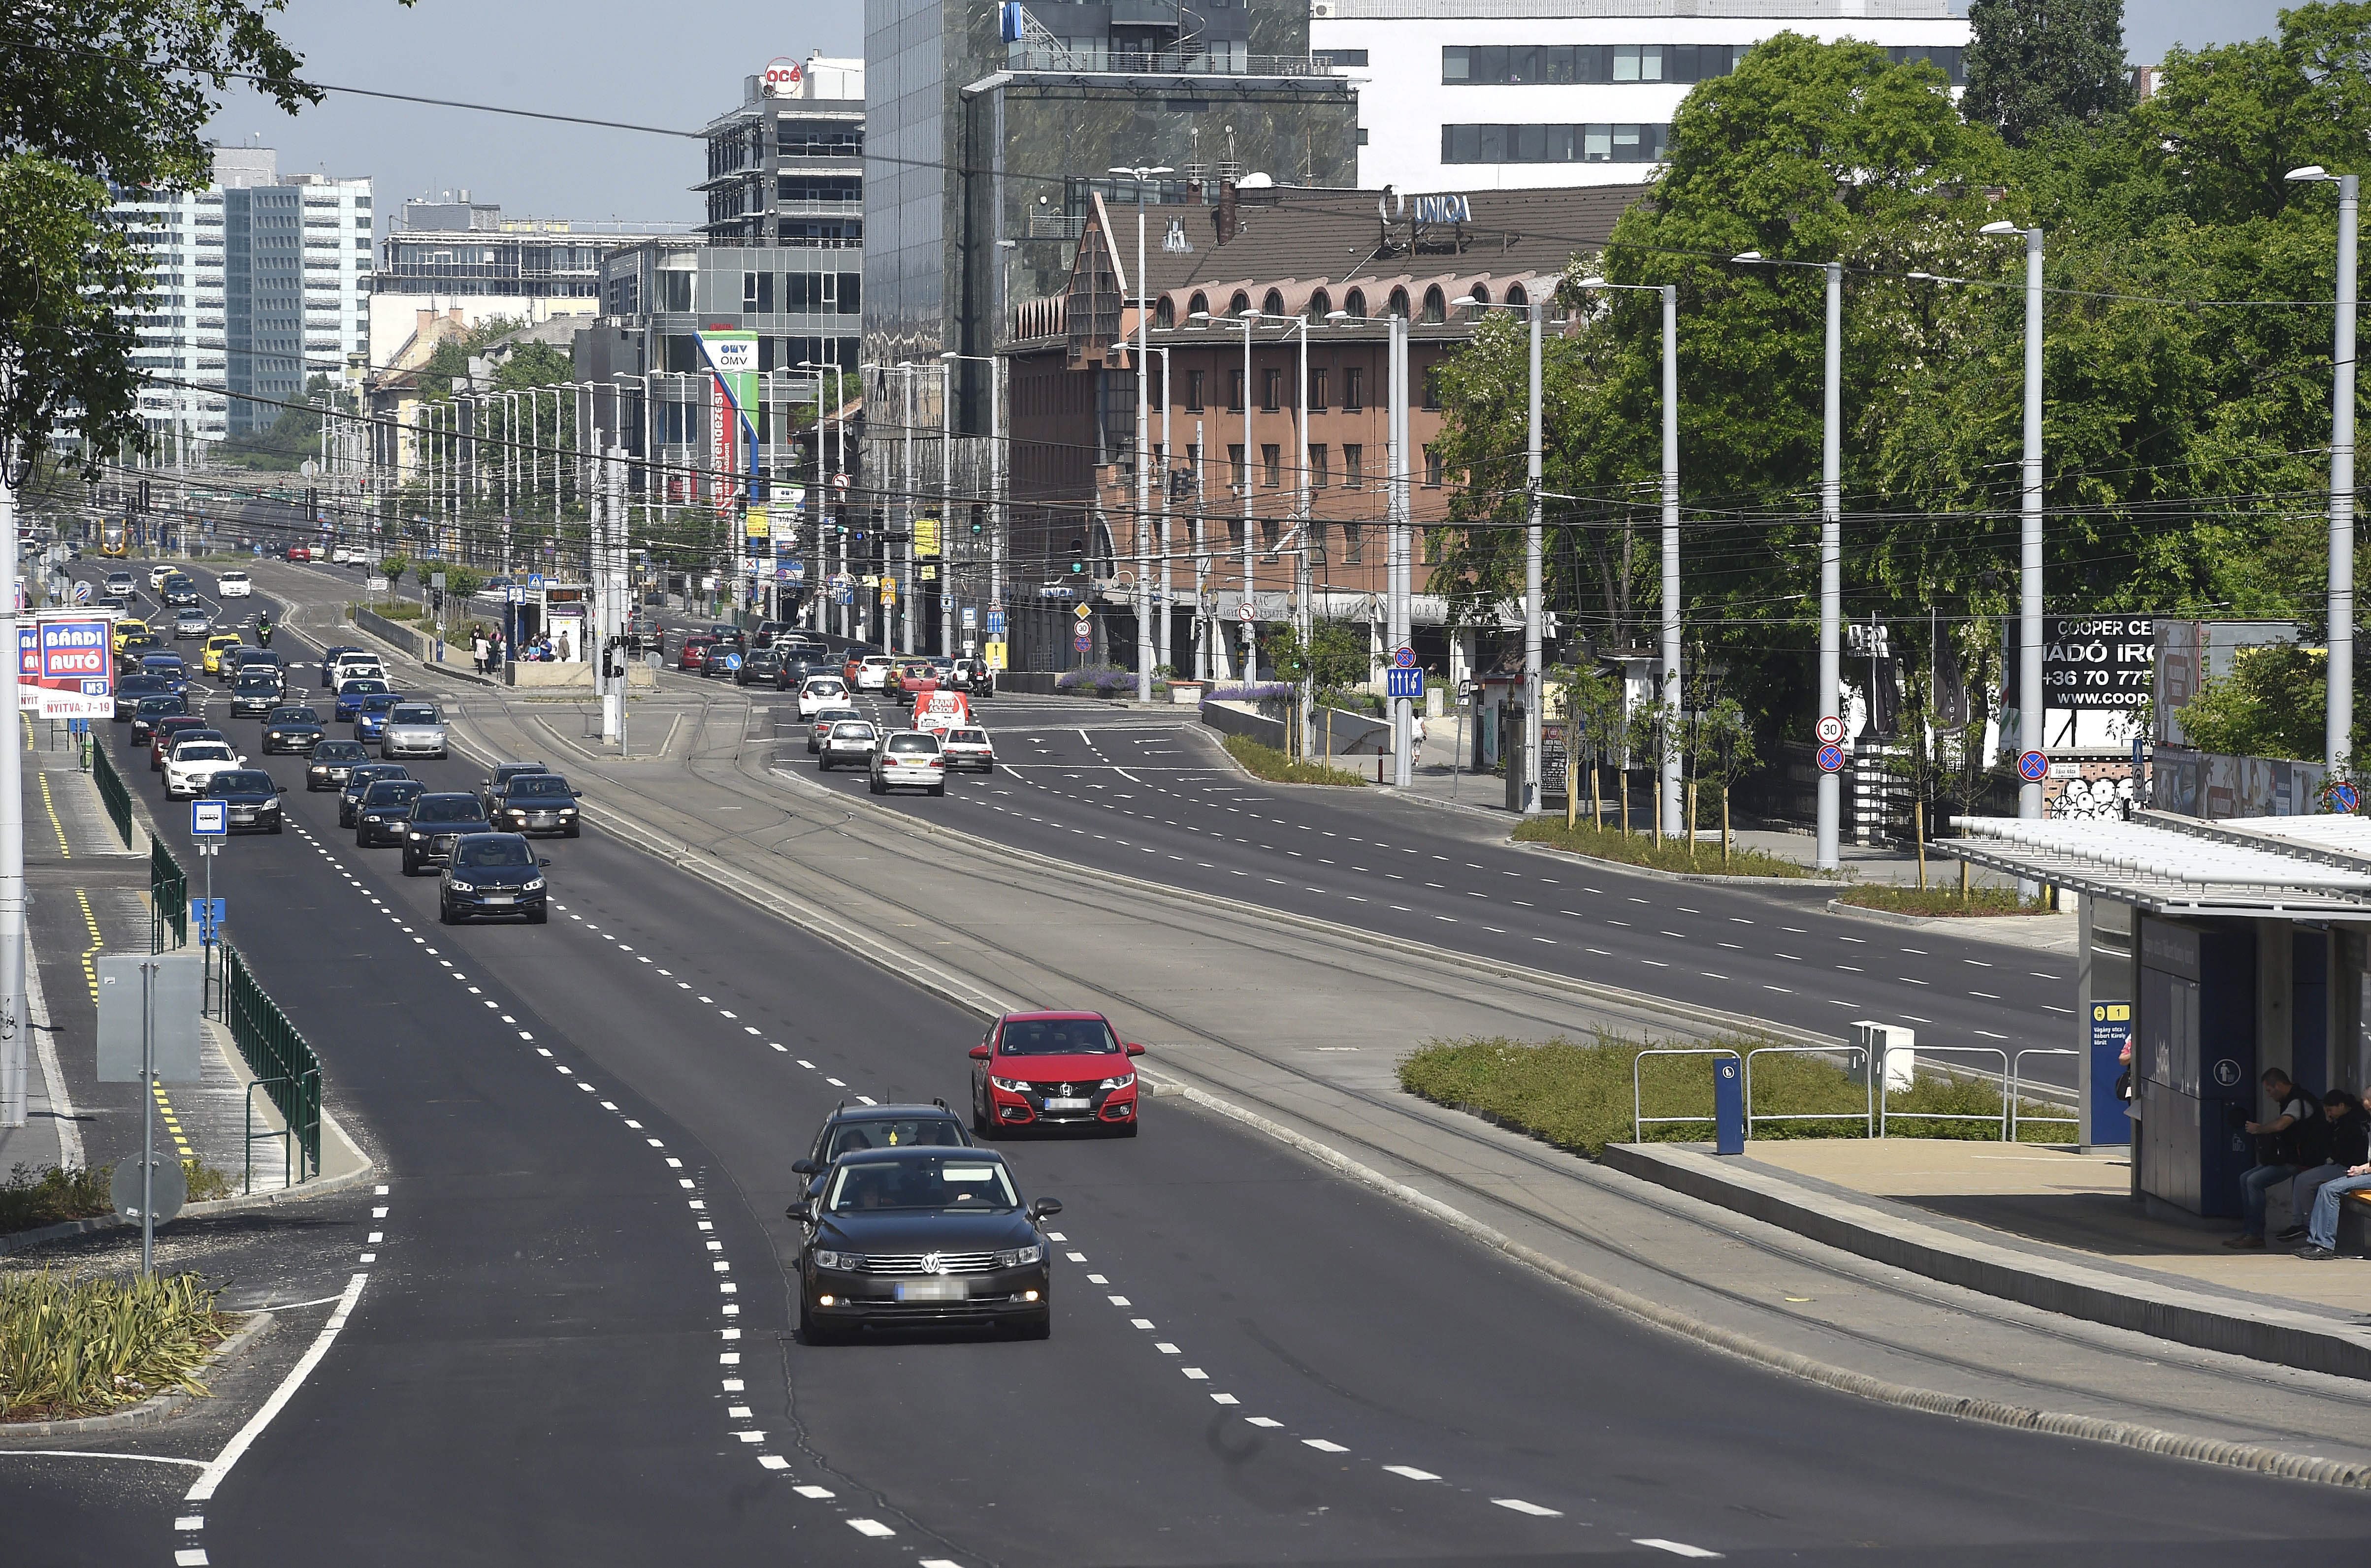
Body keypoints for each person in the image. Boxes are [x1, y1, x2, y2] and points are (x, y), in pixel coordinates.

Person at [2226, 1068, 2320, 1249]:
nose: (2269, 1095)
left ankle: (2255, 1235)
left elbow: (2281, 1125)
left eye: (2269, 1090)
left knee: (2254, 1181)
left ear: (2278, 1085)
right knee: (2245, 1178)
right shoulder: (2291, 1100)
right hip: (2289, 1157)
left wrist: (2258, 1129)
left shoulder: (2298, 1101)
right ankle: (2249, 1231)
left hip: (2301, 1160)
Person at [2280, 1089, 2368, 1242]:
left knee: (2320, 1187)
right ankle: (2301, 1224)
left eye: (2330, 1109)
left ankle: (2309, 1228)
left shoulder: (2352, 1124)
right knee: (2306, 1181)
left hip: (2348, 1167)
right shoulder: (2343, 1121)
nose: (2329, 1113)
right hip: (2353, 1167)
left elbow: (2337, 1151)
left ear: (2341, 1105)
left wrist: (2362, 1169)